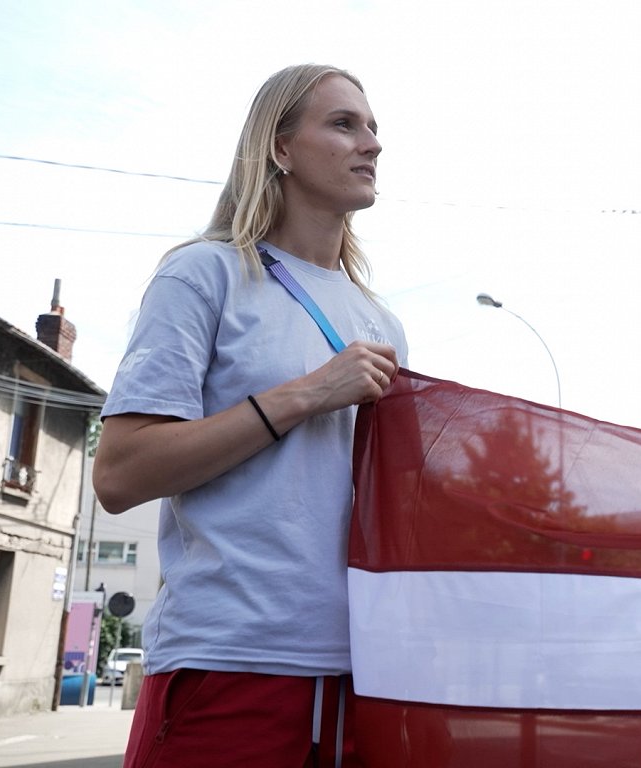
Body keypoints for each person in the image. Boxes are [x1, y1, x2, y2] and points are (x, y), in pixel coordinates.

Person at [92, 64, 406, 767]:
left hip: (362, 675)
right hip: (226, 662)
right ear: (281, 148)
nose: (372, 144)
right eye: (344, 123)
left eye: (374, 127)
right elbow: (119, 475)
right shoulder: (203, 275)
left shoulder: (382, 322)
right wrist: (306, 394)